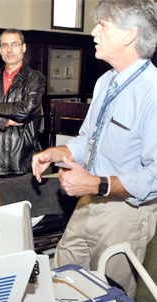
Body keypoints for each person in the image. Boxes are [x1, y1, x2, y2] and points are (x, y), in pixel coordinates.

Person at [32, 0, 157, 298]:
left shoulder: (152, 92)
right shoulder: (105, 82)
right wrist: (56, 154)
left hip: (126, 213)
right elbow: (87, 140)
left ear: (129, 35)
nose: (93, 32)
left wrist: (96, 183)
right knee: (62, 275)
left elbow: (154, 175)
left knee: (108, 292)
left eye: (103, 25)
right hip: (89, 201)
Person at [0, 28, 46, 178]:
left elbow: (27, 110)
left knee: (20, 199)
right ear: (0, 50)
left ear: (24, 47)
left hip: (21, 153)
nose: (10, 49)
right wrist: (6, 122)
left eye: (14, 44)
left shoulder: (35, 78)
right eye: (5, 45)